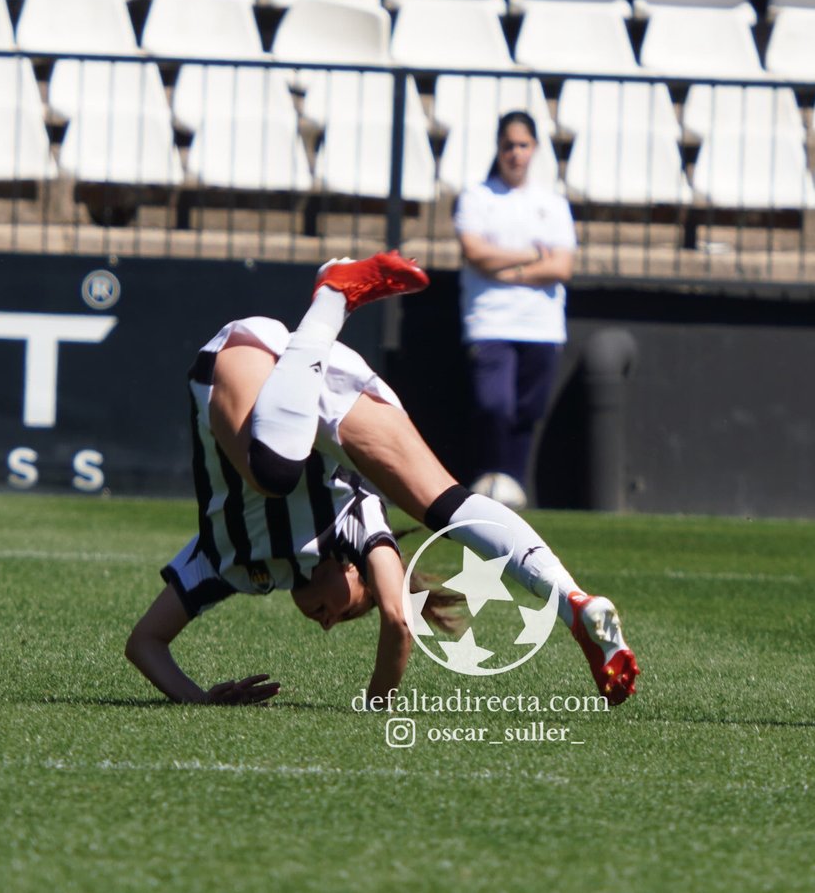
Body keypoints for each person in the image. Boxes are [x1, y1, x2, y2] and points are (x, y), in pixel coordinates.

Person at [125, 250, 639, 707]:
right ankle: (333, 295)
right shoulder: (356, 520)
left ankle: (575, 604)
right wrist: (376, 704)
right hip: (276, 357)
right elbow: (398, 619)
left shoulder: (227, 562)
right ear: (356, 570)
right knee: (442, 506)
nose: (330, 623)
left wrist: (201, 700)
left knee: (436, 500)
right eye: (351, 614)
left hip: (277, 362)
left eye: (347, 614)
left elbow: (144, 643)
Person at [453, 111, 577, 511]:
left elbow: (562, 266)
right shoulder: (477, 198)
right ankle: (491, 479)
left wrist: (509, 269)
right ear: (498, 147)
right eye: (509, 145)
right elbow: (475, 253)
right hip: (490, 320)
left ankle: (511, 485)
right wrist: (532, 255)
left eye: (523, 145)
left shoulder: (552, 204)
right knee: (494, 403)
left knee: (527, 410)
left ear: (534, 149)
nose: (515, 154)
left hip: (541, 325)